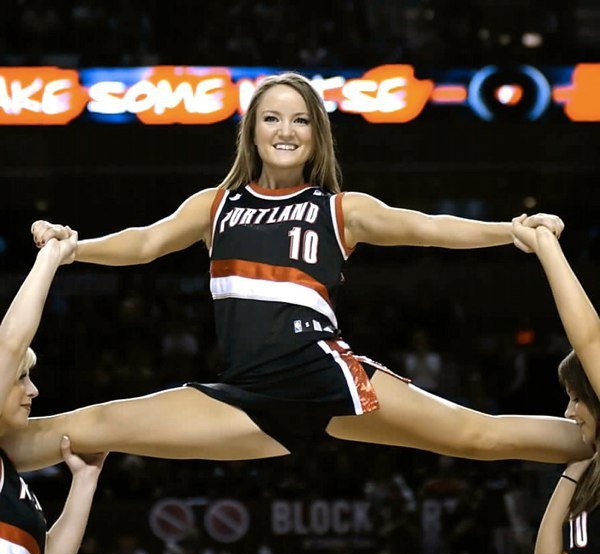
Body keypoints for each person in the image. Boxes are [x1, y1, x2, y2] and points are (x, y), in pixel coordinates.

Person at [8, 72, 591, 472]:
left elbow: (427, 226)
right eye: (271, 119)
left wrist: (510, 232)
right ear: (253, 131)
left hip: (325, 377)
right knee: (97, 424)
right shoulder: (216, 205)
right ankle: (7, 450)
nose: (285, 131)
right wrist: (72, 248)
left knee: (476, 436)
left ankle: (588, 440)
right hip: (247, 397)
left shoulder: (340, 209)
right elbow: (145, 243)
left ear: (317, 134)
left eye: (300, 121)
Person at [0, 231, 107, 554]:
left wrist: (85, 479)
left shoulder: (12, 479)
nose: (34, 391)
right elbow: (10, 342)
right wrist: (51, 256)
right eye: (21, 378)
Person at [513, 222, 600, 554]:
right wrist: (574, 470)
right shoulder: (587, 470)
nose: (568, 411)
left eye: (576, 398)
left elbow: (589, 338)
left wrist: (545, 244)